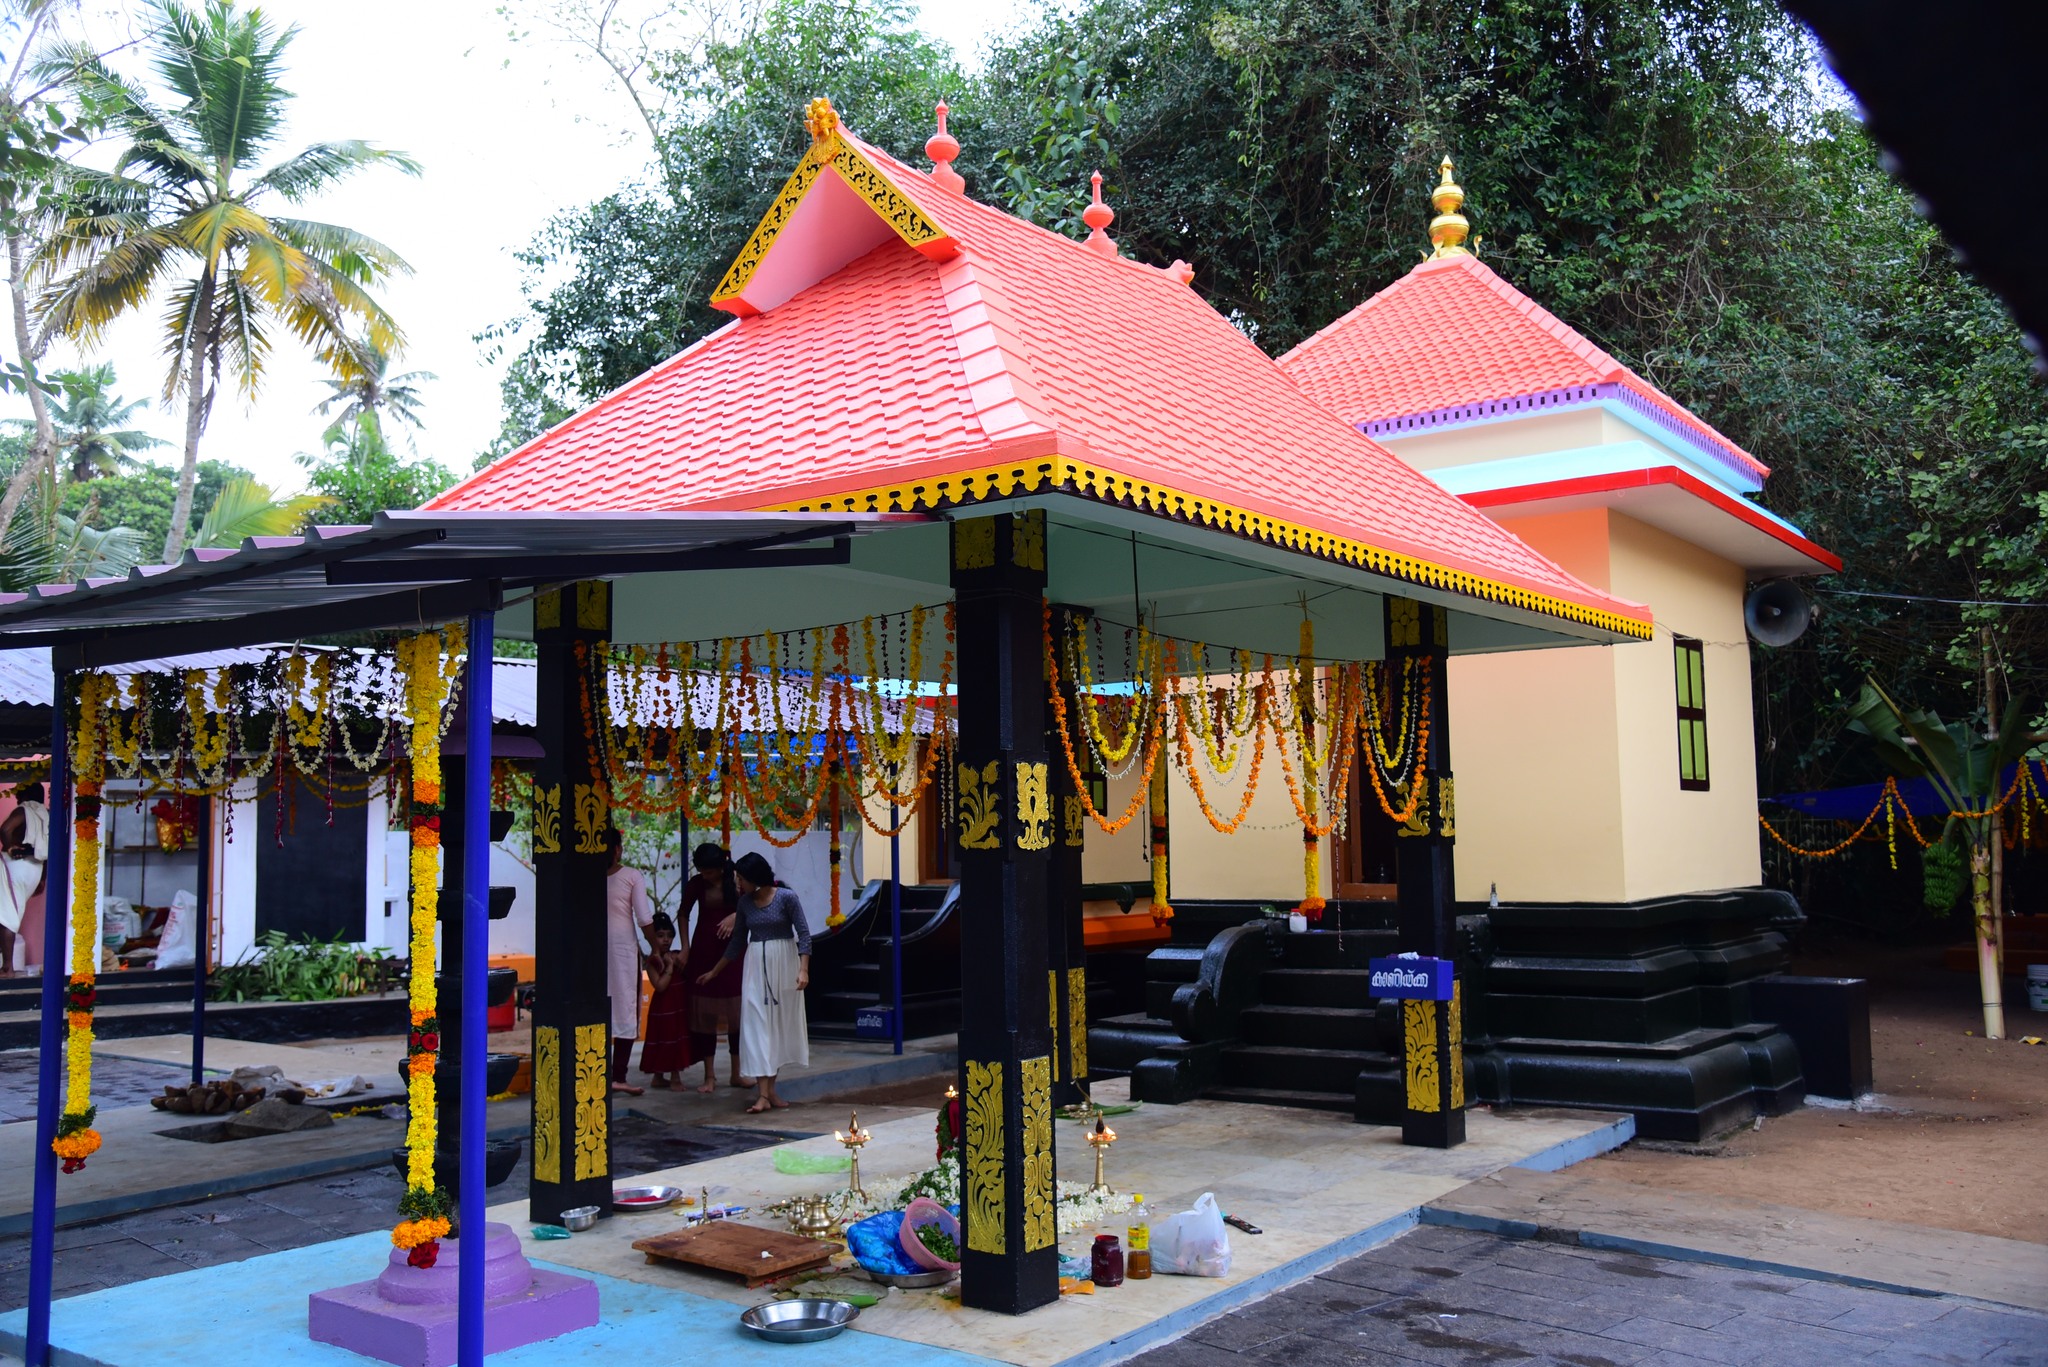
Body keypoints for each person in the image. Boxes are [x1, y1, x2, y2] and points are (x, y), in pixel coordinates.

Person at [700, 850, 809, 1113]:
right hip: (755, 968)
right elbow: (737, 942)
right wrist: (715, 972)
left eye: (741, 879)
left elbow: (804, 935)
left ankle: (770, 1090)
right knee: (757, 1026)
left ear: (754, 878)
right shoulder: (745, 903)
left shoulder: (786, 898)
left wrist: (803, 969)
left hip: (784, 965)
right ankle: (763, 1094)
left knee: (777, 1028)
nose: (737, 884)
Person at [679, 842, 747, 1094]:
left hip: (733, 952)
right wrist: (685, 947)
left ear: (720, 867)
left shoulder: (738, 881)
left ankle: (736, 1073)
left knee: (736, 1013)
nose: (704, 875)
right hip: (704, 950)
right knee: (705, 1012)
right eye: (701, 870)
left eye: (709, 871)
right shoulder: (696, 884)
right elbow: (683, 913)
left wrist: (735, 916)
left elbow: (754, 904)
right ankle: (709, 1076)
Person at [604, 827, 655, 1095]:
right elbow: (644, 918)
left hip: (594, 948)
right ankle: (618, 1075)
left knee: (600, 1006)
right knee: (625, 1006)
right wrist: (656, 948)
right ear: (618, 849)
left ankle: (598, 1072)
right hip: (623, 949)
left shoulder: (586, 878)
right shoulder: (631, 876)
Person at [0, 783, 50, 976]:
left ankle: (8, 968)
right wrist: (42, 879)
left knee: (7, 918)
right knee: (11, 914)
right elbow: (48, 851)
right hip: (35, 870)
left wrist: (11, 846)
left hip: (14, 867)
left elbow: (5, 829)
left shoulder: (24, 809)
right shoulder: (46, 814)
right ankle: (7, 965)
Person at [638, 912, 690, 1091]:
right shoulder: (654, 961)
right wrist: (669, 967)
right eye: (660, 936)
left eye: (669, 936)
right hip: (663, 1009)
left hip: (678, 1007)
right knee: (665, 1040)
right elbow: (660, 986)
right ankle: (669, 1077)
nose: (665, 940)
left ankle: (661, 1077)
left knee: (676, 1039)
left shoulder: (677, 956)